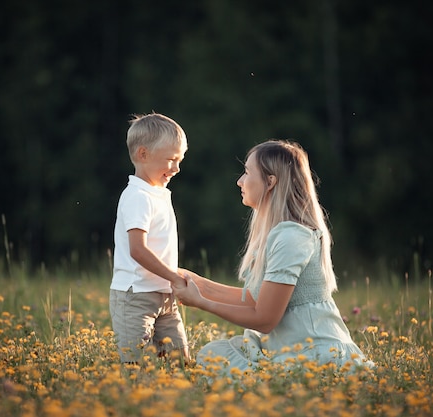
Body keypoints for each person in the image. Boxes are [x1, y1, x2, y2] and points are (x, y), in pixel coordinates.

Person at [174, 140, 373, 373]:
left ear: (270, 182)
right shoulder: (278, 233)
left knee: (215, 356)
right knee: (214, 352)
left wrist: (201, 302)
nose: (240, 181)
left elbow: (265, 319)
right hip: (293, 352)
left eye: (247, 173)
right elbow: (252, 300)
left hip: (318, 356)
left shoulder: (292, 237)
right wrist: (194, 280)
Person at [110, 113, 189, 364]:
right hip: (135, 296)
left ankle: (176, 402)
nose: (176, 168)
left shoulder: (158, 193)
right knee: (135, 364)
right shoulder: (138, 196)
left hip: (164, 295)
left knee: (179, 362)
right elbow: (138, 250)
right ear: (143, 154)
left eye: (180, 160)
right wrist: (174, 276)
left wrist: (172, 281)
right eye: (171, 160)